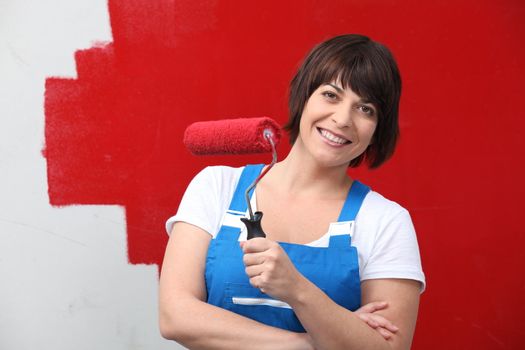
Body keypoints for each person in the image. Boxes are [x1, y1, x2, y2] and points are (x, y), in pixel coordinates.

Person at [159, 34, 425, 350]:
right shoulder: (216, 187)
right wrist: (310, 343)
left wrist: (298, 289)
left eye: (365, 109)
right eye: (330, 95)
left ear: (377, 129)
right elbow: (175, 317)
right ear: (303, 97)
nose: (342, 119)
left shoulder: (385, 221)